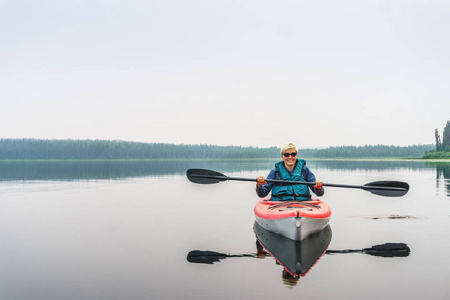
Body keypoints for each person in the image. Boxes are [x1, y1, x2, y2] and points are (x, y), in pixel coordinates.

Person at [256, 142, 324, 201]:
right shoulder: (275, 172)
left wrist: (319, 188)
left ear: (296, 155)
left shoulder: (305, 170)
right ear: (282, 156)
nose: (290, 157)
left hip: (303, 206)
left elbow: (319, 193)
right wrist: (259, 185)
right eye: (286, 155)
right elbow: (262, 194)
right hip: (280, 206)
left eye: (293, 154)